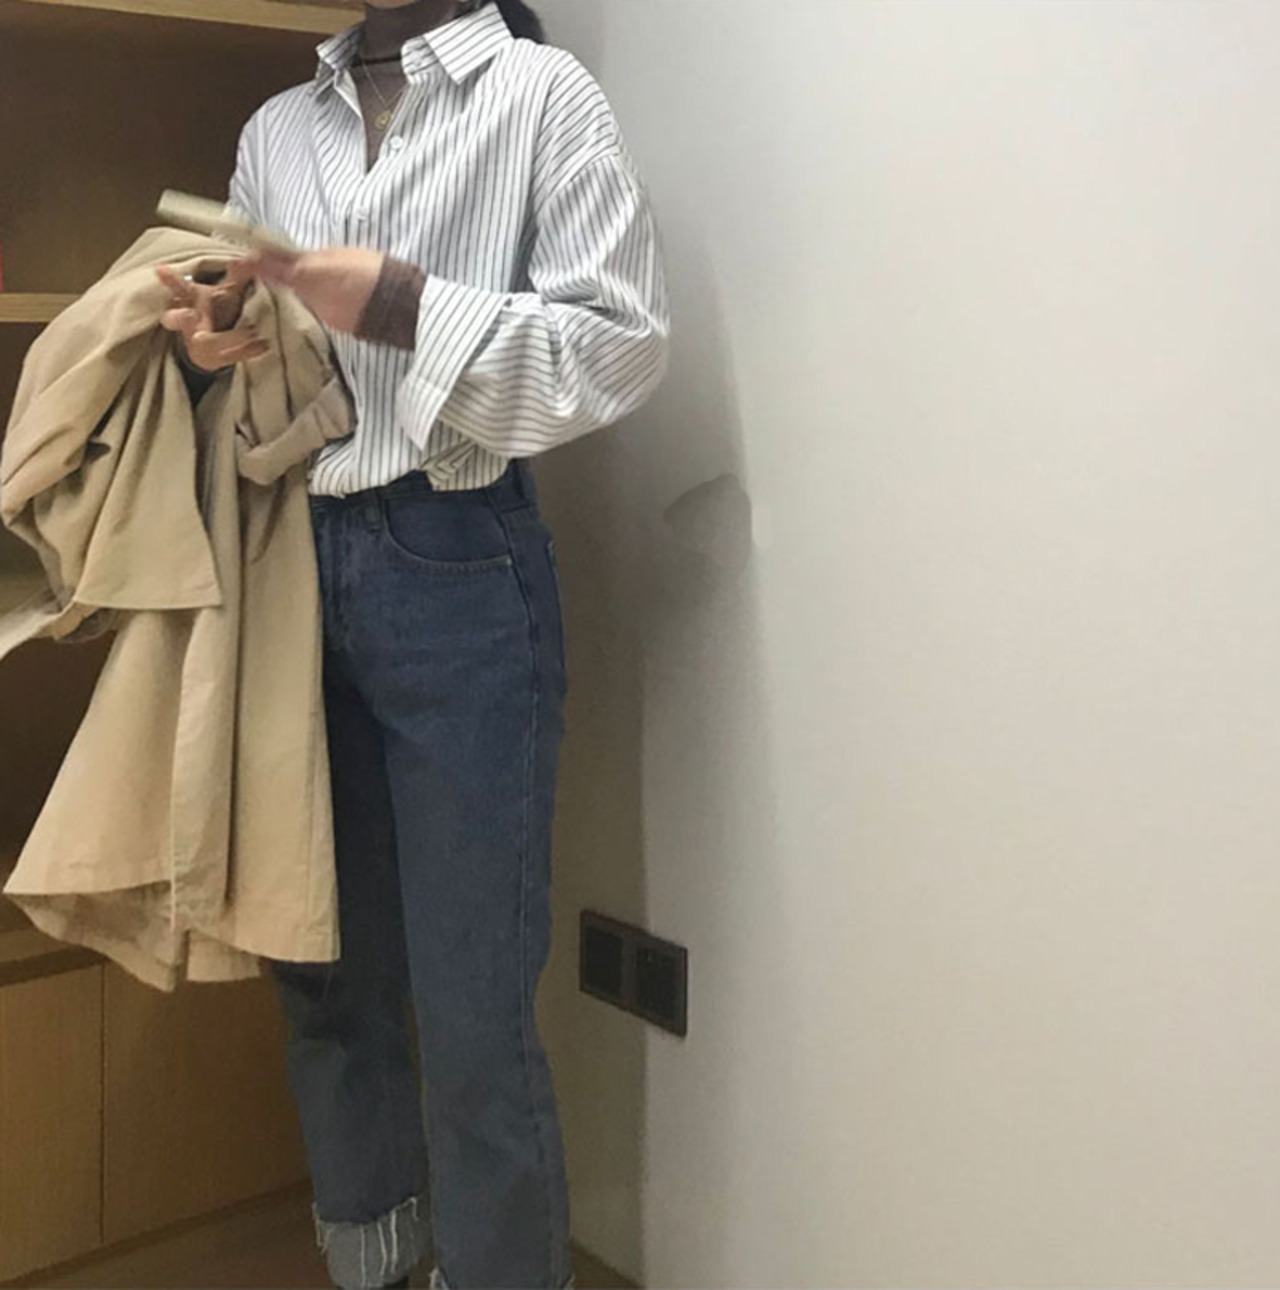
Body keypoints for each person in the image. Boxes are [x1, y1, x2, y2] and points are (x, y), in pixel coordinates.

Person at [156, 2, 670, 1287]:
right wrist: (217, 346)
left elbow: (619, 346)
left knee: (473, 1007)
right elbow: (259, 351)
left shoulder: (541, 95)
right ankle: (372, 1264)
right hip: (289, 561)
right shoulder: (278, 128)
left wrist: (401, 305)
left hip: (456, 560)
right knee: (321, 975)